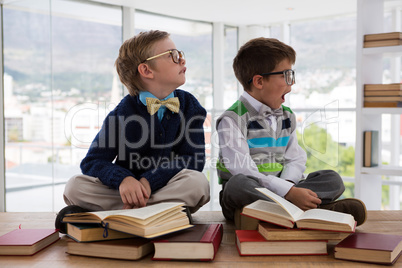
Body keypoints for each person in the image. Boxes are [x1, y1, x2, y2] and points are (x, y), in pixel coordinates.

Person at [55, 30, 210, 233]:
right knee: (74, 186)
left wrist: (148, 181)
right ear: (146, 70)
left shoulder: (190, 105)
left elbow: (193, 159)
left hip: (163, 187)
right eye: (172, 55)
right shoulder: (122, 112)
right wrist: (124, 180)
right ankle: (161, 214)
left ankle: (119, 216)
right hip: (124, 193)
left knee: (198, 184)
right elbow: (92, 161)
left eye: (179, 54)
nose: (181, 60)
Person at [217, 37, 366, 227]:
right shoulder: (232, 119)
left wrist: (289, 186)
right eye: (286, 76)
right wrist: (287, 192)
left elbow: (295, 158)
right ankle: (313, 213)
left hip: (282, 190)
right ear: (259, 81)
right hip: (249, 193)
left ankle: (287, 213)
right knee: (238, 184)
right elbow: (243, 169)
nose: (292, 83)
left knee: (332, 179)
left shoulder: (287, 116)